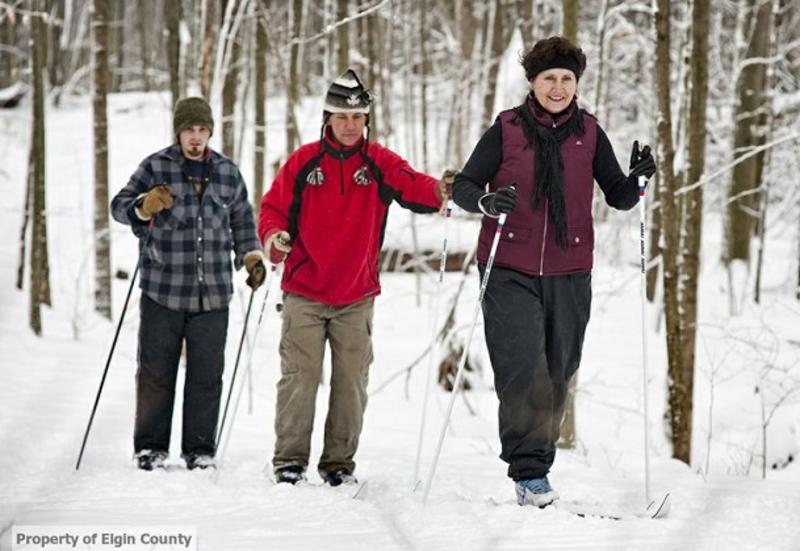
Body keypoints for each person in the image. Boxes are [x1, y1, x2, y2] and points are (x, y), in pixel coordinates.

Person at [452, 36, 656, 507]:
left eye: (567, 79)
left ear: (576, 83)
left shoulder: (590, 132)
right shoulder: (506, 130)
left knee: (559, 371)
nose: (559, 87)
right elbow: (465, 184)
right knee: (523, 367)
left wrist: (640, 179)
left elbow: (618, 196)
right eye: (550, 79)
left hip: (570, 269)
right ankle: (530, 474)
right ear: (532, 83)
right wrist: (485, 201)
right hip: (508, 266)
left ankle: (537, 465)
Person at [259, 69, 454, 486]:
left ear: (367, 119)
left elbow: (412, 185)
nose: (350, 125)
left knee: (351, 384)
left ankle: (338, 465)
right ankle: (289, 461)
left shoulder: (378, 162)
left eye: (358, 117)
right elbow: (272, 209)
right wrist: (275, 237)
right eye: (342, 116)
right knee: (300, 378)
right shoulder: (304, 161)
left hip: (355, 295)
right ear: (328, 118)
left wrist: (440, 190)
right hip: (304, 293)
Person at [110, 97, 266, 471]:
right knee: (155, 372)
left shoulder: (228, 173)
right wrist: (144, 206)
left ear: (210, 131)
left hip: (213, 292)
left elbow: (243, 222)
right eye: (188, 129)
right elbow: (120, 206)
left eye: (201, 129)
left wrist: (251, 257)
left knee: (207, 376)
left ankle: (199, 450)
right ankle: (150, 447)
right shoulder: (156, 166)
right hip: (163, 288)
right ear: (178, 131)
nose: (195, 137)